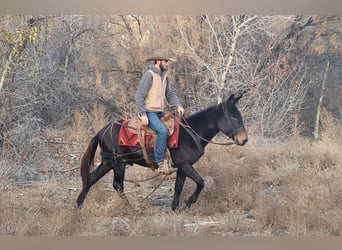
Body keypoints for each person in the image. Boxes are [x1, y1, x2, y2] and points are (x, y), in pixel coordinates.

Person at [135, 49, 185, 173]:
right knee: (162, 130)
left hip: (159, 112)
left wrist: (178, 105)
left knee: (176, 126)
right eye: (165, 61)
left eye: (167, 61)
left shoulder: (164, 76)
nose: (167, 64)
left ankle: (172, 158)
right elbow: (139, 95)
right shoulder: (149, 75)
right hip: (149, 112)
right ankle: (159, 161)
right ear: (158, 61)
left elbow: (169, 94)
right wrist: (143, 114)